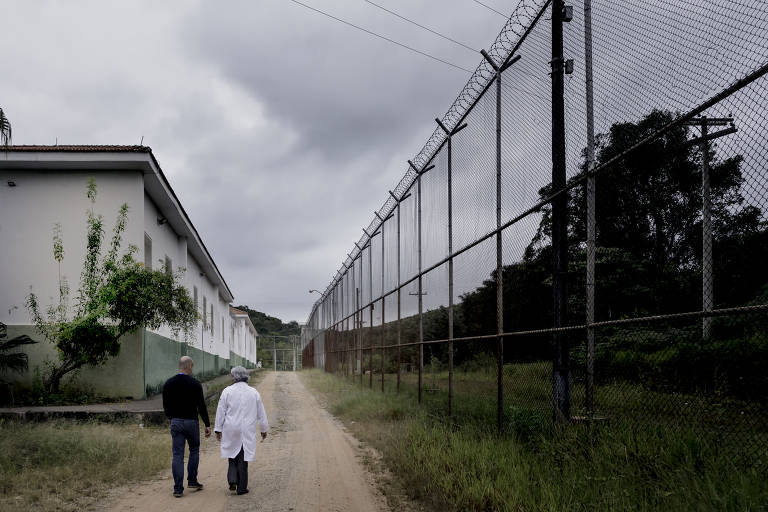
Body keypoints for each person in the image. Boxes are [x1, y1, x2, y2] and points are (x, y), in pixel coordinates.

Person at [214, 366, 269, 495]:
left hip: (231, 428)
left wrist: (218, 429)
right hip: (247, 429)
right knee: (243, 458)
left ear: (234, 377)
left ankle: (232, 480)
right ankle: (242, 488)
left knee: (232, 455)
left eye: (231, 376)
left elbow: (220, 411)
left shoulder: (227, 391)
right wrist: (263, 429)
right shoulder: (254, 392)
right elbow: (261, 413)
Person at [162, 356, 211, 498]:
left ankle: (178, 489)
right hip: (191, 423)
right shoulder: (195, 384)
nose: (192, 369)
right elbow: (201, 406)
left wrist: (170, 418)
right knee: (194, 450)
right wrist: (207, 424)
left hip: (176, 422)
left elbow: (166, 404)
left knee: (177, 455)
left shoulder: (168, 383)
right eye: (192, 366)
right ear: (188, 366)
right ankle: (192, 481)